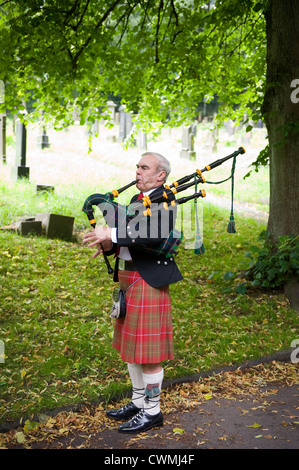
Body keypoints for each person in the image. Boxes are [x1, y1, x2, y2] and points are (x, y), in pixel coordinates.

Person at [83, 152, 183, 433]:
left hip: (148, 281)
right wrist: (110, 246)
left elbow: (150, 235)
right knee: (132, 351)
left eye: (144, 167)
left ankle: (152, 411)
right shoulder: (139, 200)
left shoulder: (166, 199)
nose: (137, 171)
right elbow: (131, 239)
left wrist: (111, 235)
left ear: (160, 175)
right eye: (137, 166)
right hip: (130, 278)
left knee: (149, 355)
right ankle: (139, 402)